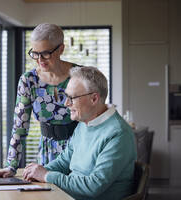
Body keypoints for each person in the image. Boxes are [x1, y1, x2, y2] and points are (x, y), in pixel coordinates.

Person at [22, 66, 137, 200]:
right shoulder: (84, 123)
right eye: (66, 96)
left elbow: (93, 186)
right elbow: (64, 162)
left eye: (72, 97)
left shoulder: (118, 134)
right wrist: (37, 172)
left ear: (94, 99)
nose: (66, 103)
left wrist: (46, 175)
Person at [0, 23, 81, 178]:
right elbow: (20, 127)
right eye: (35, 53)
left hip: (79, 150)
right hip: (47, 153)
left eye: (45, 53)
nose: (40, 60)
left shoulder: (80, 76)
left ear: (61, 49)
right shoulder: (29, 80)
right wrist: (11, 166)